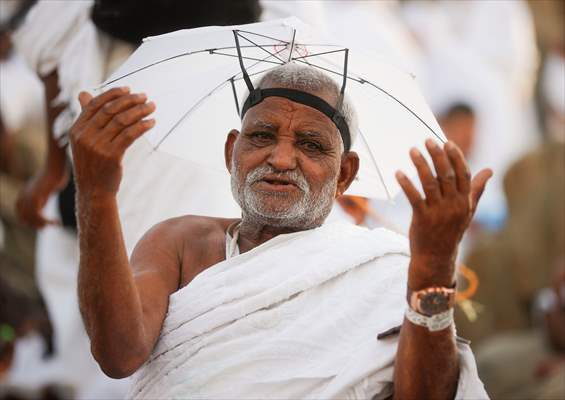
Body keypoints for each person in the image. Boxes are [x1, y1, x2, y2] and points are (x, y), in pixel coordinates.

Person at [71, 63, 491, 398]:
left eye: (310, 144)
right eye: (262, 136)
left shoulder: (380, 270)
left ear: (344, 174)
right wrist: (95, 194)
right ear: (231, 151)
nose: (282, 159)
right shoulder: (179, 243)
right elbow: (118, 354)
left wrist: (434, 267)